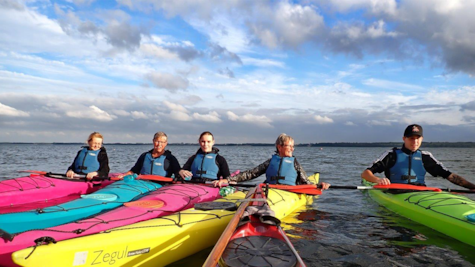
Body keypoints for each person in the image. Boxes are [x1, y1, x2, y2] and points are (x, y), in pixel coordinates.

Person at [361, 124, 475, 190]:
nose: (415, 141)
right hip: (395, 192)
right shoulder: (391, 154)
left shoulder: (426, 156)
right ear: (404, 139)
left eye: (418, 138)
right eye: (411, 138)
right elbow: (366, 174)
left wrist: (472, 187)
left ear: (422, 139)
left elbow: (450, 176)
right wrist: (378, 180)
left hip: (420, 192)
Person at [213, 133, 330, 189]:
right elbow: (250, 174)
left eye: (293, 146)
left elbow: (305, 182)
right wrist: (227, 180)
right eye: (289, 146)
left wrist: (319, 185)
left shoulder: (294, 163)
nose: (292, 149)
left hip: (288, 191)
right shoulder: (270, 162)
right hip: (270, 190)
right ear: (279, 147)